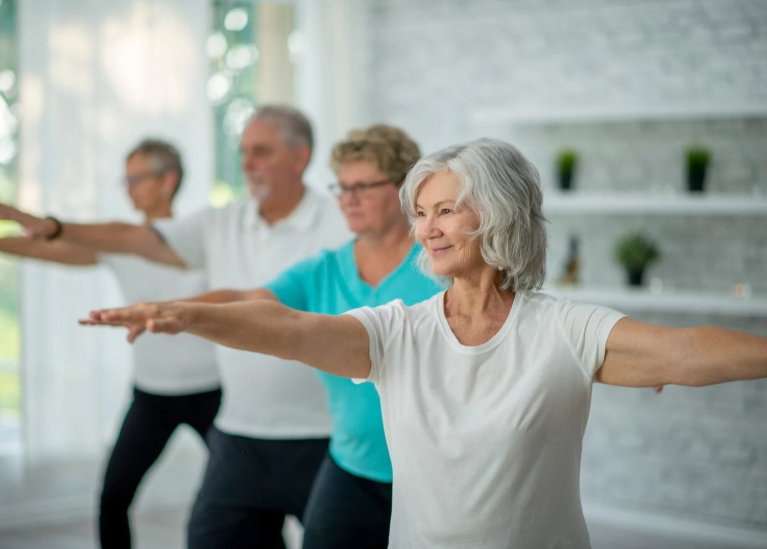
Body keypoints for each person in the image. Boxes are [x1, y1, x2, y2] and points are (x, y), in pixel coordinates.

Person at [82, 137, 767, 548]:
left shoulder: (565, 329)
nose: (427, 227)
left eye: (445, 209)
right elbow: (290, 327)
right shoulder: (395, 330)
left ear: (496, 215)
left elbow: (686, 351)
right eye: (419, 212)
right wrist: (187, 314)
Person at [0, 106, 352, 548]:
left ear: (300, 157)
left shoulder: (340, 223)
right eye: (243, 152)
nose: (246, 164)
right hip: (233, 429)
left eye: (261, 152)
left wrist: (176, 312)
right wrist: (51, 227)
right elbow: (131, 237)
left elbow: (257, 301)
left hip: (311, 430)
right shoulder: (219, 222)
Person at [101, 124, 442, 548]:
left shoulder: (437, 268)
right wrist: (181, 312)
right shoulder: (324, 268)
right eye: (341, 186)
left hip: (429, 472)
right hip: (352, 467)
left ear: (404, 190)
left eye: (364, 187)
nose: (348, 199)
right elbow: (254, 300)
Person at [0, 139, 222, 549]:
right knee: (113, 499)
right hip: (151, 397)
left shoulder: (201, 240)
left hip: (211, 394)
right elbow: (41, 248)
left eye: (137, 178)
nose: (128, 188)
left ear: (168, 181)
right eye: (125, 180)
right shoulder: (117, 247)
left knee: (245, 495)